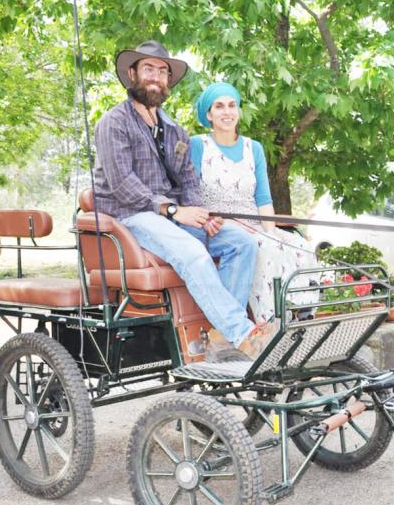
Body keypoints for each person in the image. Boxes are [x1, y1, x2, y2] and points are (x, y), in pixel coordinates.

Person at [91, 41, 272, 360]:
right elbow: (122, 184)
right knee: (194, 253)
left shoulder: (174, 130)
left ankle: (220, 337)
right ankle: (242, 333)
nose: (156, 76)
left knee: (241, 243)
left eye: (163, 71)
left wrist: (202, 215)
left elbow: (188, 180)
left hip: (170, 217)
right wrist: (174, 210)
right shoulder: (113, 122)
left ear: (168, 82)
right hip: (130, 216)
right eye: (148, 69)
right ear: (132, 74)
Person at [189, 82, 319, 323]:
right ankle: (269, 322)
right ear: (208, 114)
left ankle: (302, 312)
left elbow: (263, 198)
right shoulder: (198, 145)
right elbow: (190, 194)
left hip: (256, 224)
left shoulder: (254, 148)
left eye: (232, 105)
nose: (227, 112)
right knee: (265, 247)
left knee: (300, 246)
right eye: (219, 106)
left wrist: (272, 232)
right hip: (216, 227)